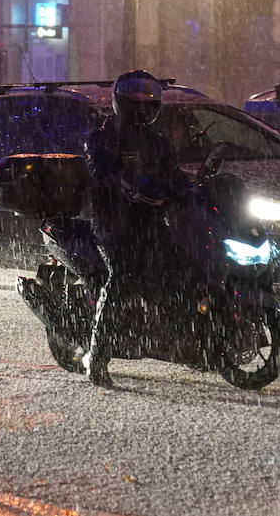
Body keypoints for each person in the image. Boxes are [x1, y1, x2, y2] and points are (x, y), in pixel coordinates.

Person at [82, 70, 186, 388]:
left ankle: (175, 335)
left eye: (148, 103)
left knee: (180, 264)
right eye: (134, 102)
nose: (141, 108)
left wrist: (197, 187)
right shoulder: (102, 137)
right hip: (112, 220)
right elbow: (102, 167)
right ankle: (97, 357)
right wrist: (123, 180)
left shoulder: (157, 142)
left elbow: (173, 174)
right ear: (120, 103)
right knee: (122, 277)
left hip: (150, 219)